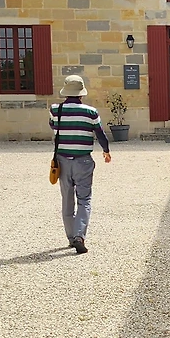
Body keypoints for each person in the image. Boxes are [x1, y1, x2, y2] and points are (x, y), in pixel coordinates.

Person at [49, 74, 111, 253]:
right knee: (84, 199)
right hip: (83, 160)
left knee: (67, 199)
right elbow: (100, 134)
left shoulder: (55, 110)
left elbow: (53, 127)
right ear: (81, 93)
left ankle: (70, 238)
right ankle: (79, 236)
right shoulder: (91, 112)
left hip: (62, 160)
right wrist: (106, 150)